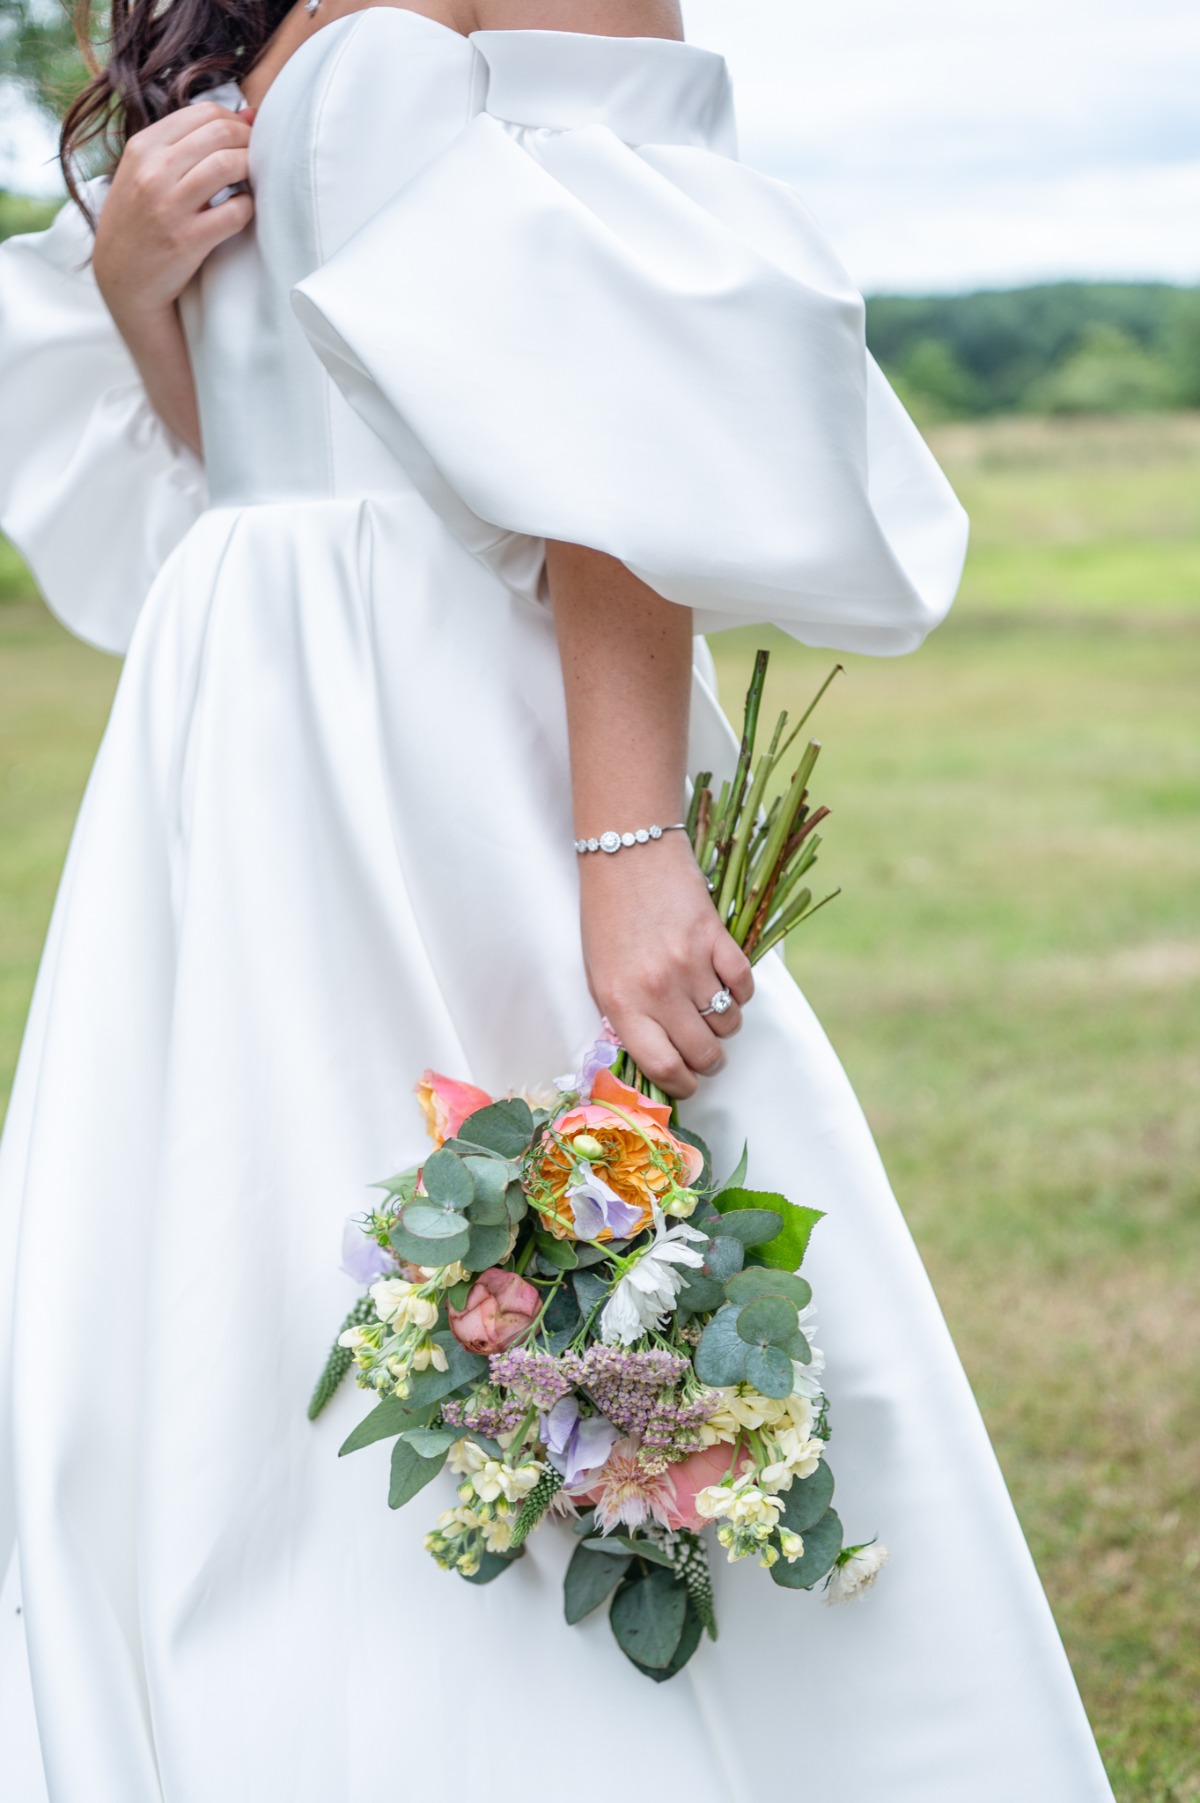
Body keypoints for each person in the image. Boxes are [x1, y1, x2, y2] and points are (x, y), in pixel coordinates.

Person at [0, 1, 1115, 1797]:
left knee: (575, 1238)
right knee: (229, 1268)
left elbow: (618, 396)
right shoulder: (234, 14)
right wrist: (139, 289)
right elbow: (264, 446)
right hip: (236, 736)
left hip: (456, 734)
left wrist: (628, 846)